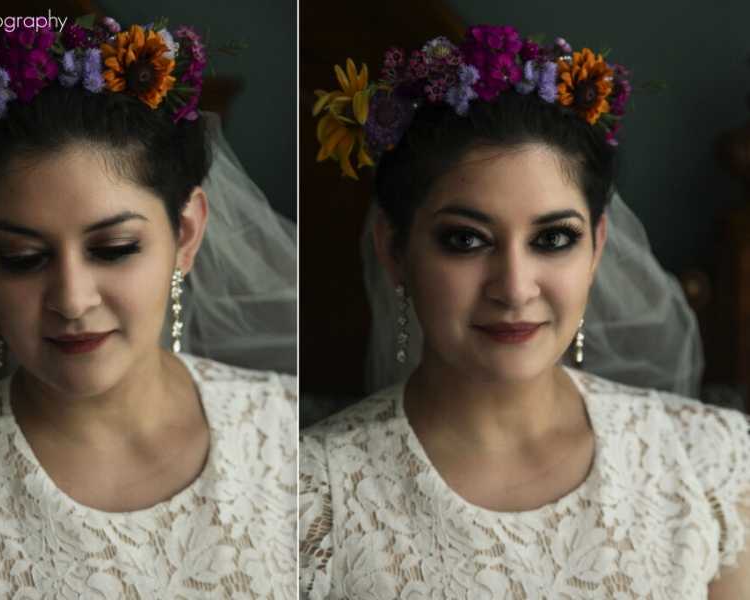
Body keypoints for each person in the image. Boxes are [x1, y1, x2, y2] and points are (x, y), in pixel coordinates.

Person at [0, 16, 296, 599]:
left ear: (185, 233)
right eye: (22, 256)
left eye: (113, 250)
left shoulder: (286, 435)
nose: (71, 299)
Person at [300, 25, 750, 598]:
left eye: (554, 239)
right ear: (393, 250)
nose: (514, 288)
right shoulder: (312, 499)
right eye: (466, 240)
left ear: (597, 247)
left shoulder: (709, 462)